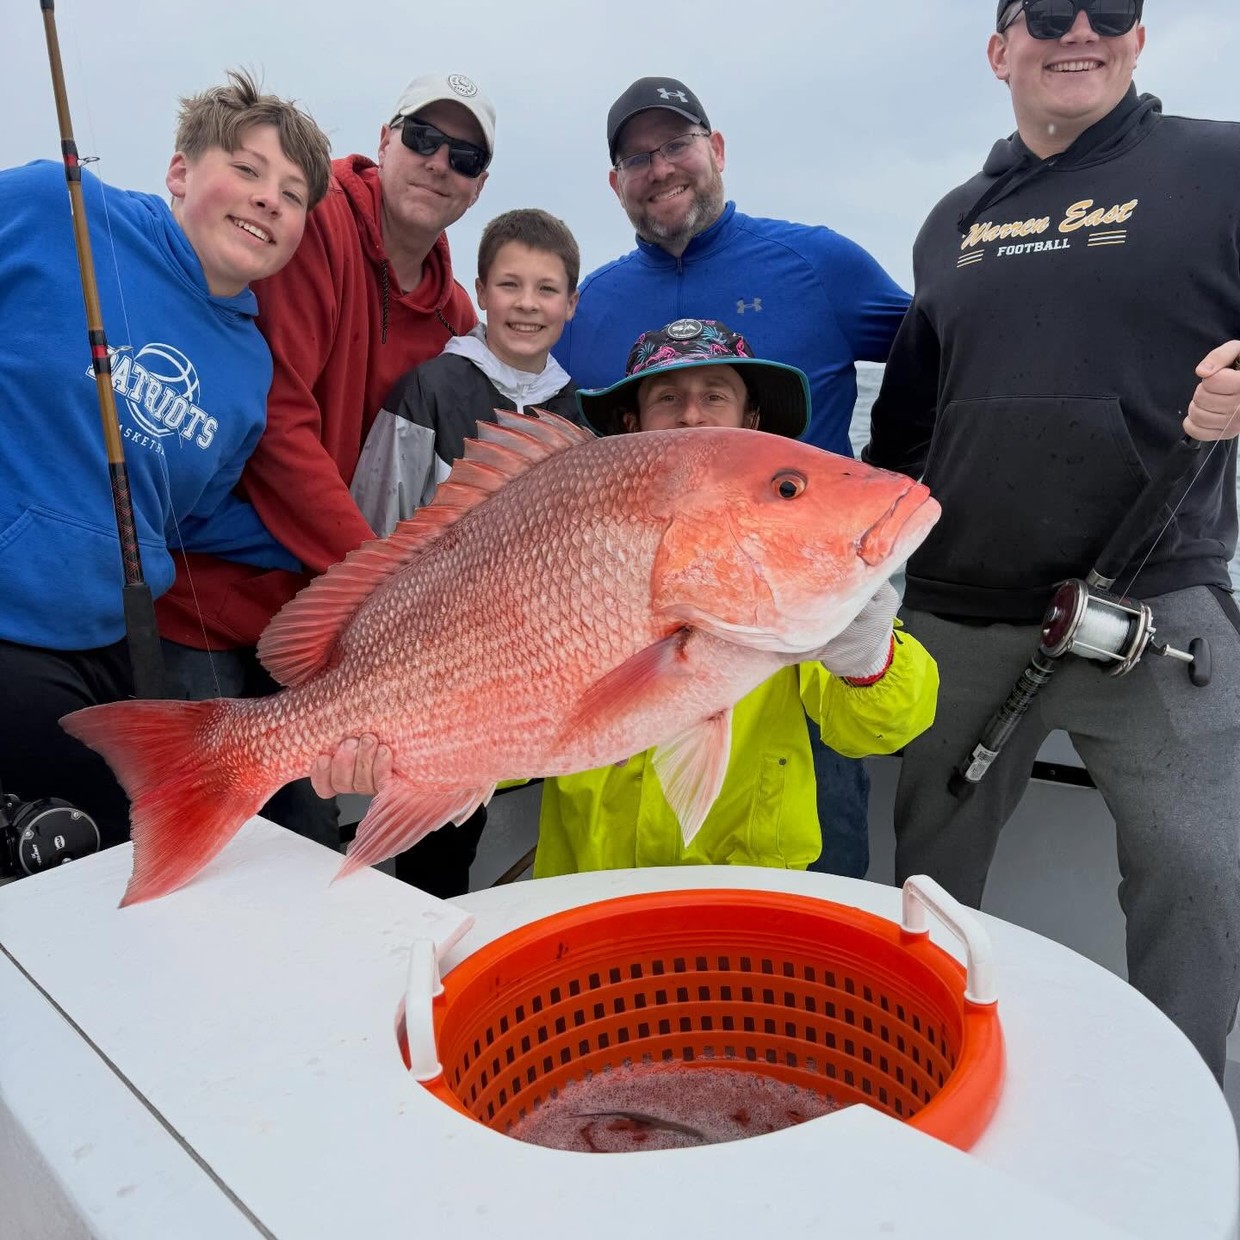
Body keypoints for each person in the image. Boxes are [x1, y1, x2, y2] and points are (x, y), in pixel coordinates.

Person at [864, 0, 1240, 1084]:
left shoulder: (1217, 167)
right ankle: (918, 1076)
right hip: (955, 617)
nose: (1077, 27)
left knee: (1200, 878)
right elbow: (904, 433)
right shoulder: (950, 220)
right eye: (1044, 12)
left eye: (1108, 7)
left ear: (1136, 37)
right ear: (1000, 50)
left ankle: (1185, 1110)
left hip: (1154, 612)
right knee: (931, 882)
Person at [316, 318, 939, 879]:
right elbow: (505, 736)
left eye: (715, 395)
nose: (693, 415)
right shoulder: (556, 528)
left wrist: (869, 656)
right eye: (668, 398)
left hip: (745, 886)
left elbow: (879, 733)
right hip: (585, 886)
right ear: (631, 426)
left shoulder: (797, 581)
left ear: (752, 421)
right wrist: (392, 759)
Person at [554, 76, 914, 879]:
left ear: (716, 150)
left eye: (677, 144)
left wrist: (880, 543)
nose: (660, 168)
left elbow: (944, 354)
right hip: (623, 604)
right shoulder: (590, 303)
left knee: (820, 823)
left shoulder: (818, 262)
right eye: (636, 156)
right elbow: (533, 451)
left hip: (791, 613)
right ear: (615, 183)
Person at [155, 72, 495, 866]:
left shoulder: (457, 319)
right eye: (422, 137)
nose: (439, 162)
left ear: (478, 189)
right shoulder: (318, 225)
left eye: (467, 156)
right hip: (213, 594)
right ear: (384, 139)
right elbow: (278, 419)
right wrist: (384, 590)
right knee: (203, 847)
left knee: (297, 858)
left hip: (321, 625)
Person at [0, 70, 331, 853]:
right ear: (181, 172)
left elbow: (192, 517)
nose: (267, 199)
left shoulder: (250, 369)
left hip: (110, 642)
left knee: (210, 823)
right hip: (11, 621)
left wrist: (326, 552)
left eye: (291, 195)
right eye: (247, 170)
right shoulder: (61, 208)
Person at [348, 207, 582, 895]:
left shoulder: (575, 416)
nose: (527, 305)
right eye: (510, 285)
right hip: (430, 662)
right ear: (480, 291)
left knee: (474, 823)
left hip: (525, 678)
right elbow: (373, 524)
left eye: (546, 289)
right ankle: (410, 950)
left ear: (572, 302)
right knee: (431, 846)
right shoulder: (430, 389)